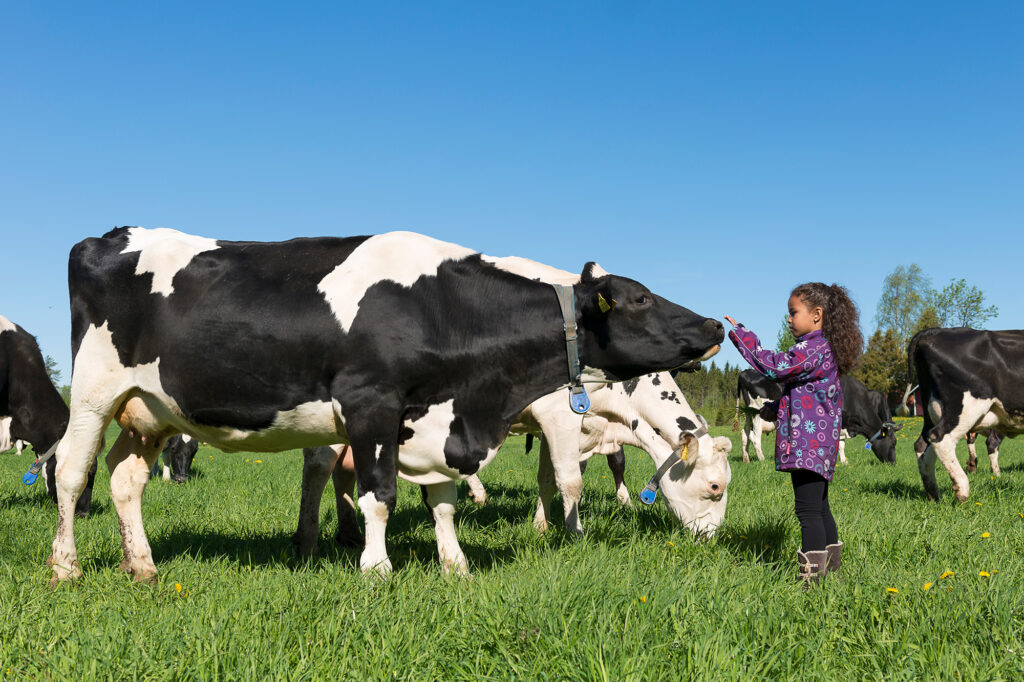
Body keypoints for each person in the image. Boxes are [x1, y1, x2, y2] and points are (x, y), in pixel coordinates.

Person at [725, 283, 862, 585]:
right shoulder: (824, 349)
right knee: (820, 507)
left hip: (807, 445)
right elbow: (808, 394)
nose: (788, 319)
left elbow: (774, 367)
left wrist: (742, 336)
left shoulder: (813, 348)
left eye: (793, 313)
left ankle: (811, 581)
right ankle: (831, 573)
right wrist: (776, 407)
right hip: (818, 443)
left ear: (816, 314)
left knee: (808, 511)